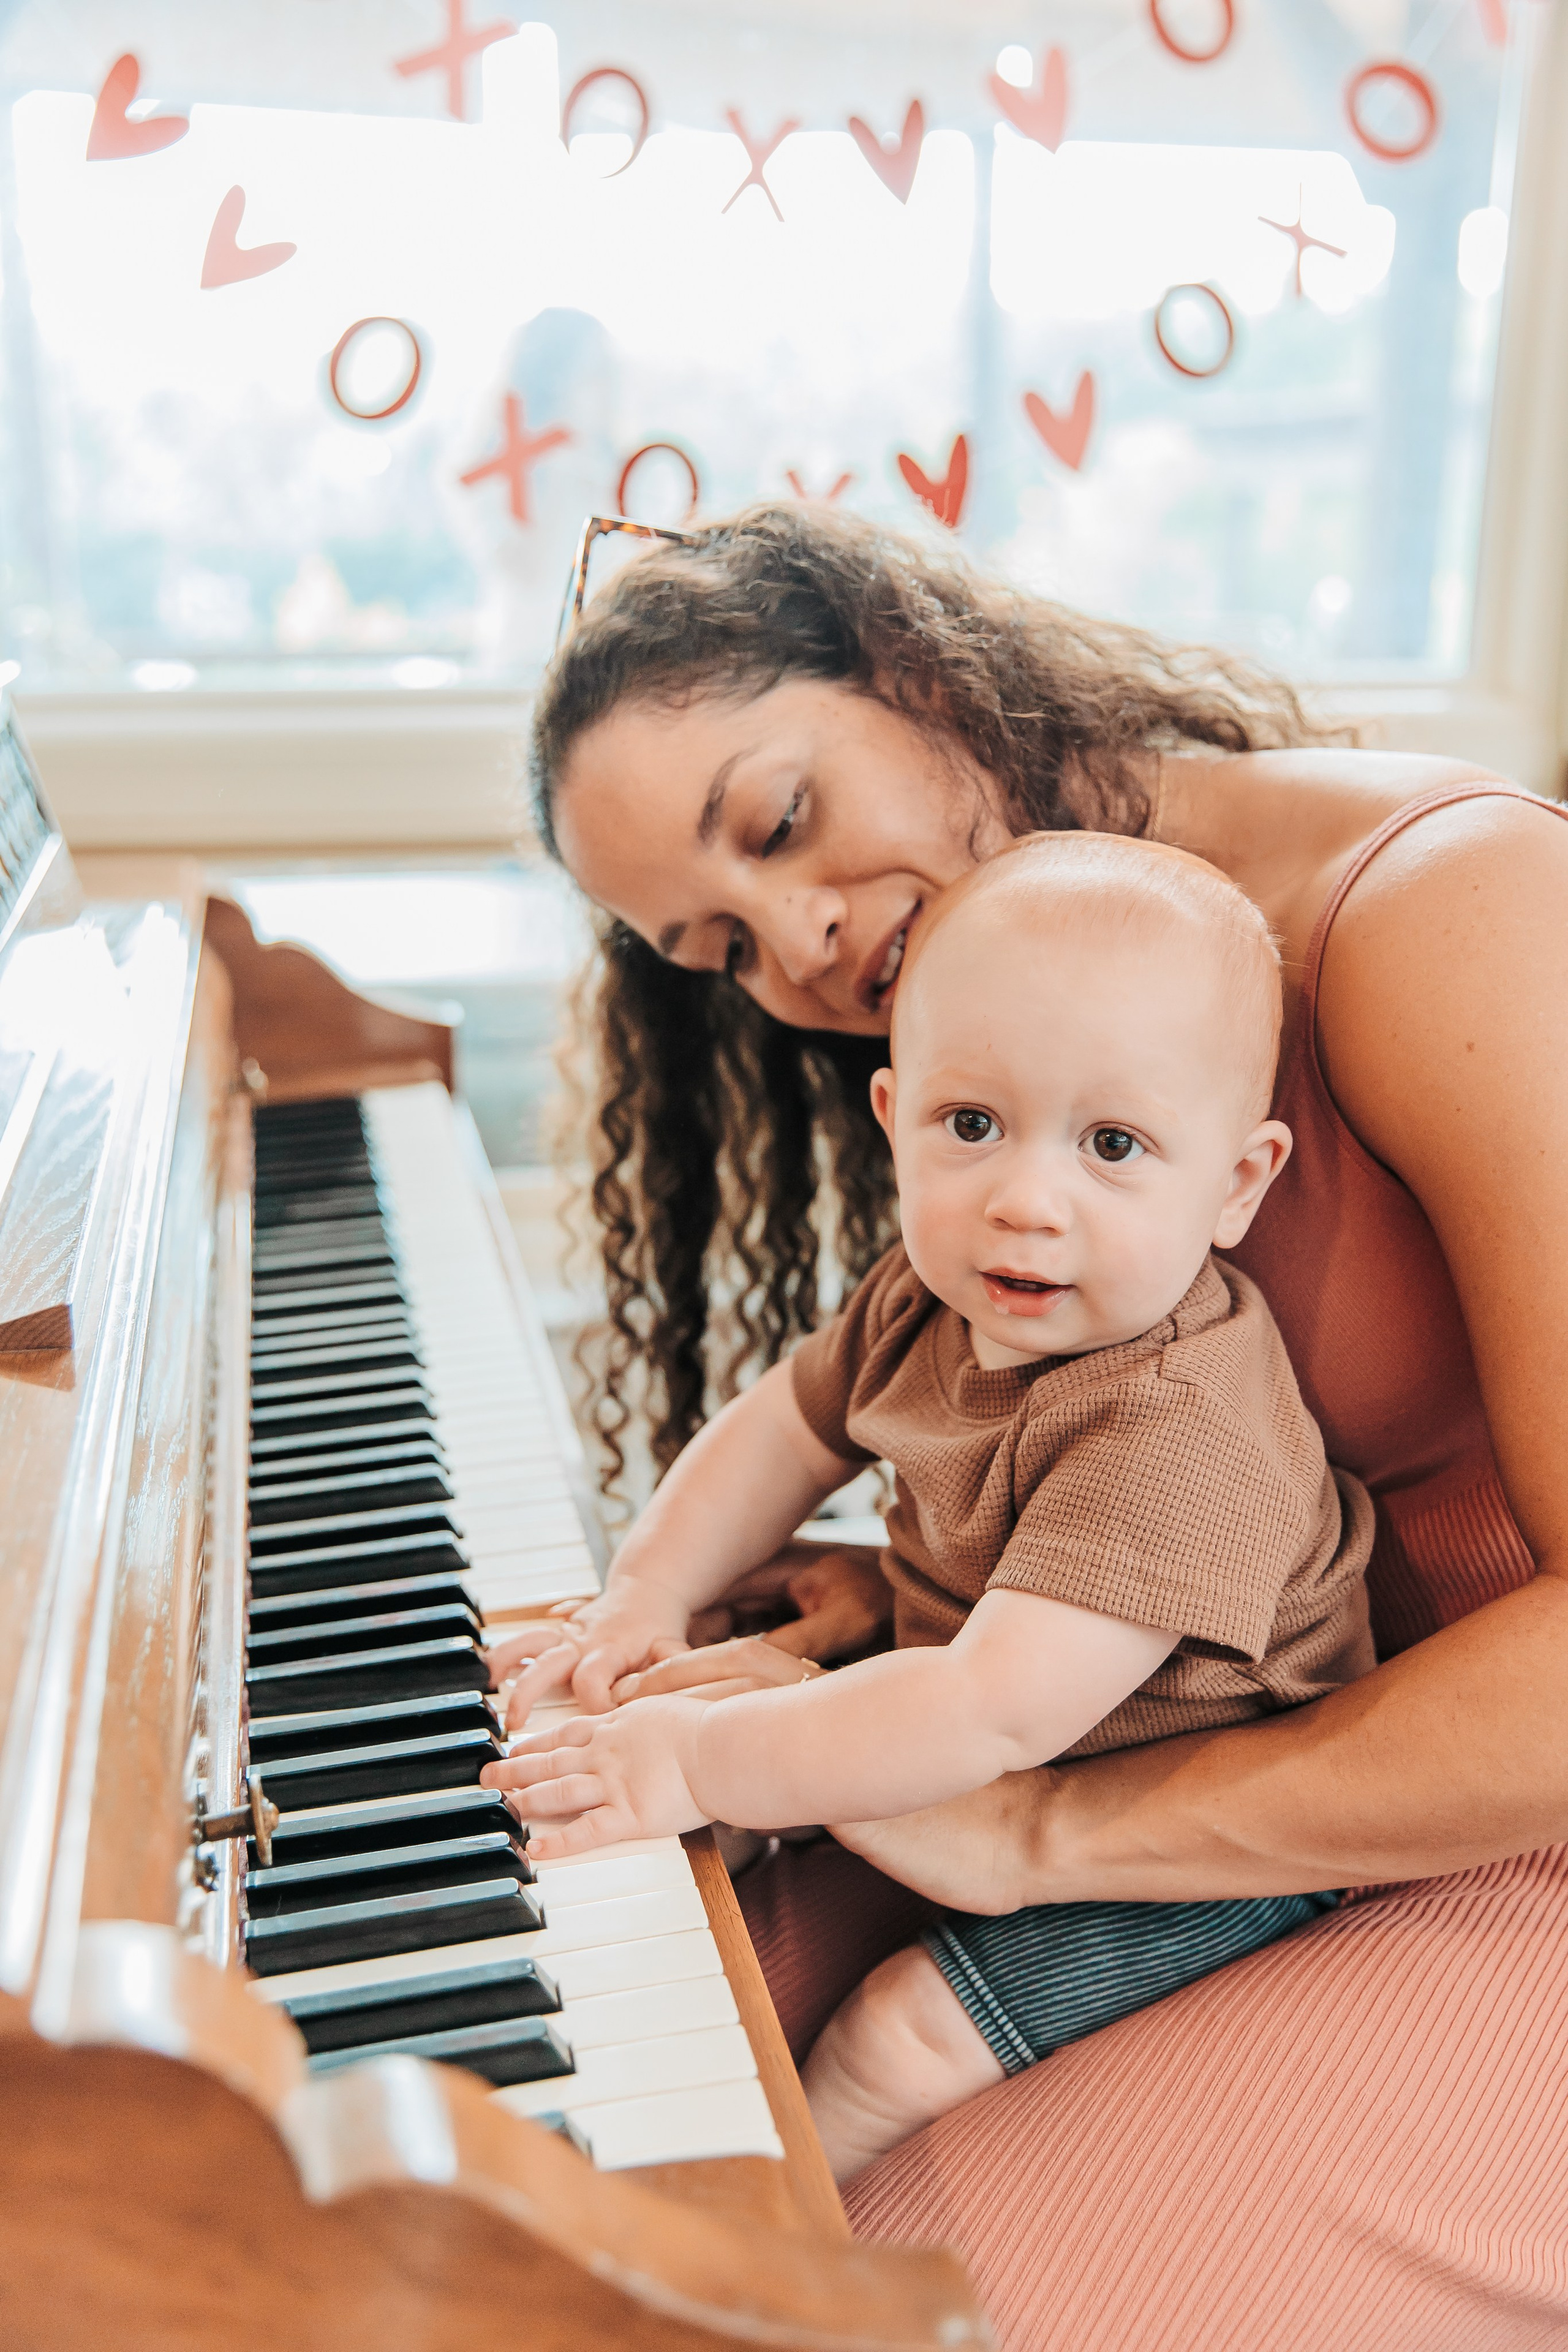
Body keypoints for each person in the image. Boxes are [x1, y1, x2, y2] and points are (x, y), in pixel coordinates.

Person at [493, 504, 1568, 2350]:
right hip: (1229, 1735)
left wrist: (1048, 1832)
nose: (800, 946)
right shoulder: (1023, 1042)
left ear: (912, 668)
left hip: (1493, 1835)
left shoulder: (1458, 912)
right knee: (615, 2066)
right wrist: (909, 1595)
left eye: (782, 821)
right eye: (718, 946)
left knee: (851, 2283)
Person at [489, 830, 1376, 2182]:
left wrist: (698, 1763)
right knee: (685, 1831)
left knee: (899, 2034)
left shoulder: (1178, 1424)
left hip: (1190, 1829)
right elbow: (779, 1432)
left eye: (1113, 1145)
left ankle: (779, 2239)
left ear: (1235, 1185)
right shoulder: (929, 1294)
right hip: (988, 1733)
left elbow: (989, 1710)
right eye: (973, 1127)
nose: (1025, 1202)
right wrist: (644, 1594)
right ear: (894, 1117)